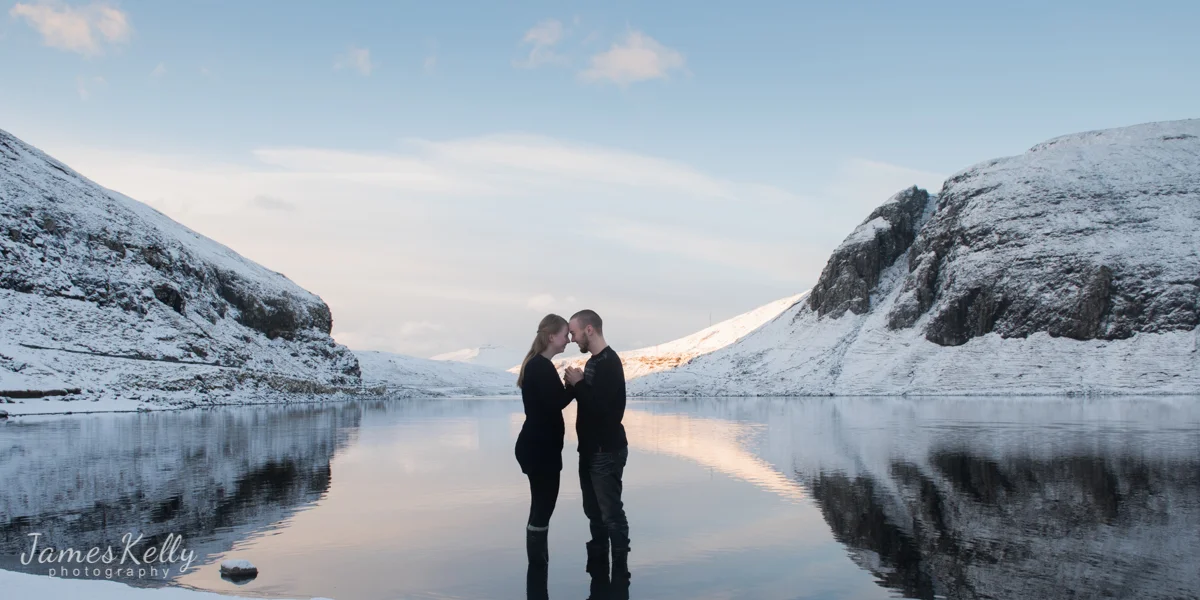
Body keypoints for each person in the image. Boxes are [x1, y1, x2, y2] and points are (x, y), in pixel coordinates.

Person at [563, 309, 631, 580]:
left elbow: (600, 409)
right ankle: (600, 571)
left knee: (611, 513)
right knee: (593, 512)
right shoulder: (594, 362)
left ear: (589, 330)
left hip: (606, 451)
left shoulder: (609, 363)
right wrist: (574, 385)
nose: (571, 338)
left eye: (574, 332)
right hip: (591, 451)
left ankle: (620, 575)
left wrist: (578, 384)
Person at [514, 314, 576, 568]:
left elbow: (549, 401)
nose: (568, 341)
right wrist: (575, 384)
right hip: (540, 449)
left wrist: (565, 385)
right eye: (564, 335)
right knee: (544, 505)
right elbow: (556, 403)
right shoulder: (541, 366)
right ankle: (538, 562)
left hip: (537, 446)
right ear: (552, 337)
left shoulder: (537, 364)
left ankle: (537, 567)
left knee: (541, 504)